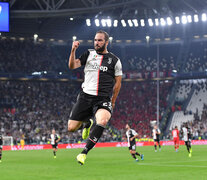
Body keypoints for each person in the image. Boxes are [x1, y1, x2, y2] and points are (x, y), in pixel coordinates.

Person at [68, 30, 122, 165]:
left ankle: (83, 153)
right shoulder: (88, 54)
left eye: (100, 40)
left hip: (103, 99)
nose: (96, 43)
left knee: (103, 121)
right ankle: (87, 122)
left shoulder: (114, 61)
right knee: (71, 128)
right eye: (95, 40)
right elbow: (72, 66)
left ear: (106, 42)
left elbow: (118, 83)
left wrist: (113, 101)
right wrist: (73, 50)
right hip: (85, 97)